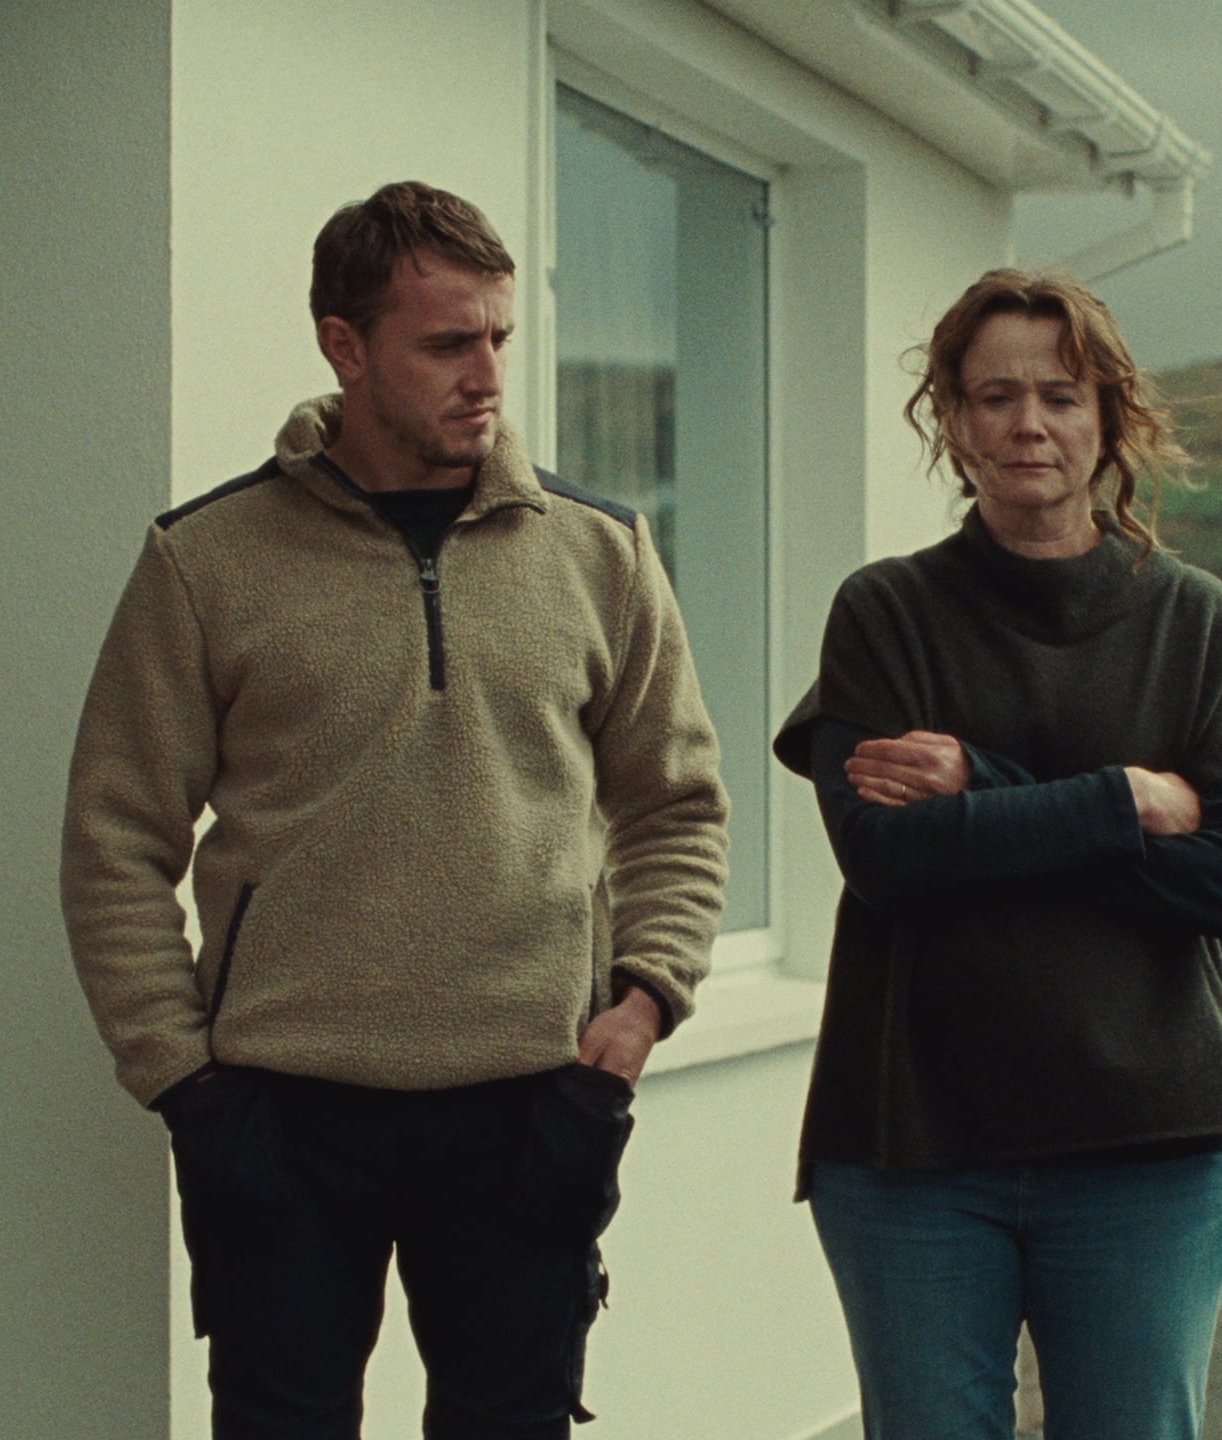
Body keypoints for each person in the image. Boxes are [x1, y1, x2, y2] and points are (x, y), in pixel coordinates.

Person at [61, 180, 728, 1439]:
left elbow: (677, 805)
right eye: (446, 344)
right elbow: (114, 840)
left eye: (499, 337)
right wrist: (181, 1078)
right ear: (344, 345)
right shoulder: (205, 562)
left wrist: (642, 1003)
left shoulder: (601, 553)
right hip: (279, 1115)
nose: (487, 376)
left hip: (531, 1104)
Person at [772, 268, 1222, 1440]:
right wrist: (1125, 799)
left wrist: (983, 786)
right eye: (995, 396)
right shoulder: (885, 613)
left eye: (1060, 396)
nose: (1029, 423)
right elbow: (885, 858)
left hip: (1149, 1147)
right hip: (913, 1142)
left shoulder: (1195, 622)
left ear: (1108, 419)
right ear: (953, 421)